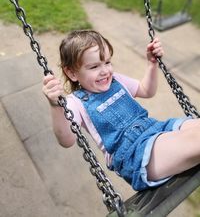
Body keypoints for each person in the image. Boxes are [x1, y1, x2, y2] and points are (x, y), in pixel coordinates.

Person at [42, 30, 200, 191]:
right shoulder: (75, 103)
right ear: (72, 73)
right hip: (135, 154)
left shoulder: (116, 80)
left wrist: (152, 64)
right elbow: (66, 141)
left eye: (107, 62)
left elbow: (146, 90)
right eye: (94, 66)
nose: (105, 71)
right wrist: (55, 106)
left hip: (157, 129)